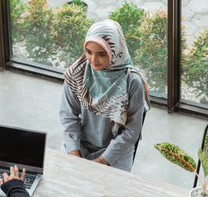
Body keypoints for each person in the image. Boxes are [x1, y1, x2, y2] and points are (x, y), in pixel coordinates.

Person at [60, 19, 149, 172]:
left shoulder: (131, 81)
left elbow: (132, 130)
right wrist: (74, 154)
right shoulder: (77, 73)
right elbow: (68, 116)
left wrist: (103, 160)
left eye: (101, 54)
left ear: (114, 52)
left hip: (117, 150)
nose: (93, 60)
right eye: (89, 52)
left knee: (109, 194)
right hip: (80, 143)